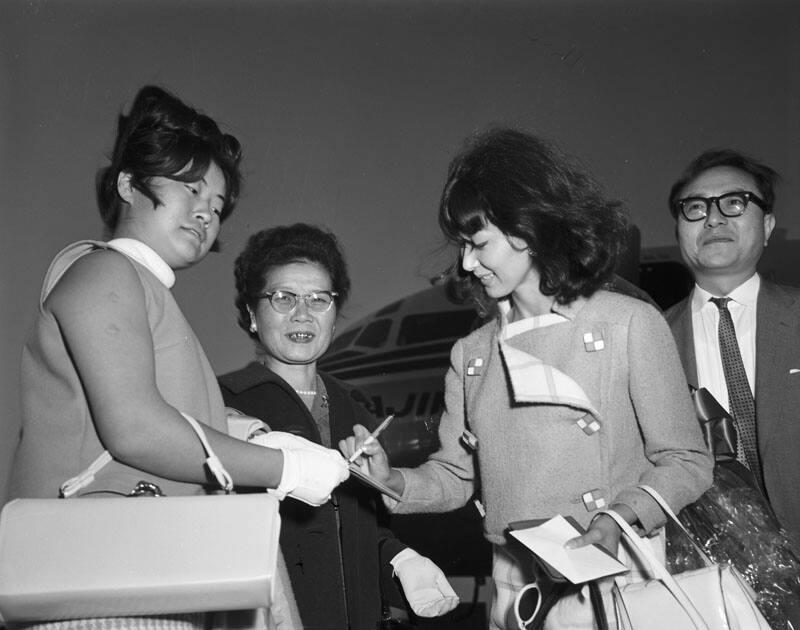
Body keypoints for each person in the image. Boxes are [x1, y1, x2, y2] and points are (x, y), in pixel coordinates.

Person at [340, 128, 713, 629]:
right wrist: (391, 480)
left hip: (618, 574)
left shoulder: (627, 324)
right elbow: (455, 476)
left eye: (478, 244)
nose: (467, 263)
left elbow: (686, 460)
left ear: (528, 230)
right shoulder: (471, 354)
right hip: (517, 589)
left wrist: (616, 519)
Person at [7, 86, 348, 629]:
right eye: (190, 190)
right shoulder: (106, 271)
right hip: (102, 587)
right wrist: (287, 467)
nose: (205, 214)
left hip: (137, 579)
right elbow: (136, 428)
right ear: (128, 185)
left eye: (216, 206)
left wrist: (251, 436)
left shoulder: (141, 290)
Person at [218, 223, 459, 630]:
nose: (303, 314)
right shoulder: (222, 403)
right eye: (283, 298)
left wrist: (398, 560)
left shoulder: (355, 409)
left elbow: (359, 529)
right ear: (251, 315)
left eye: (319, 299)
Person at [664, 149, 800, 626]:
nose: (713, 217)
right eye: (695, 207)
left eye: (735, 203)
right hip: (705, 593)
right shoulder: (647, 342)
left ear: (767, 226)